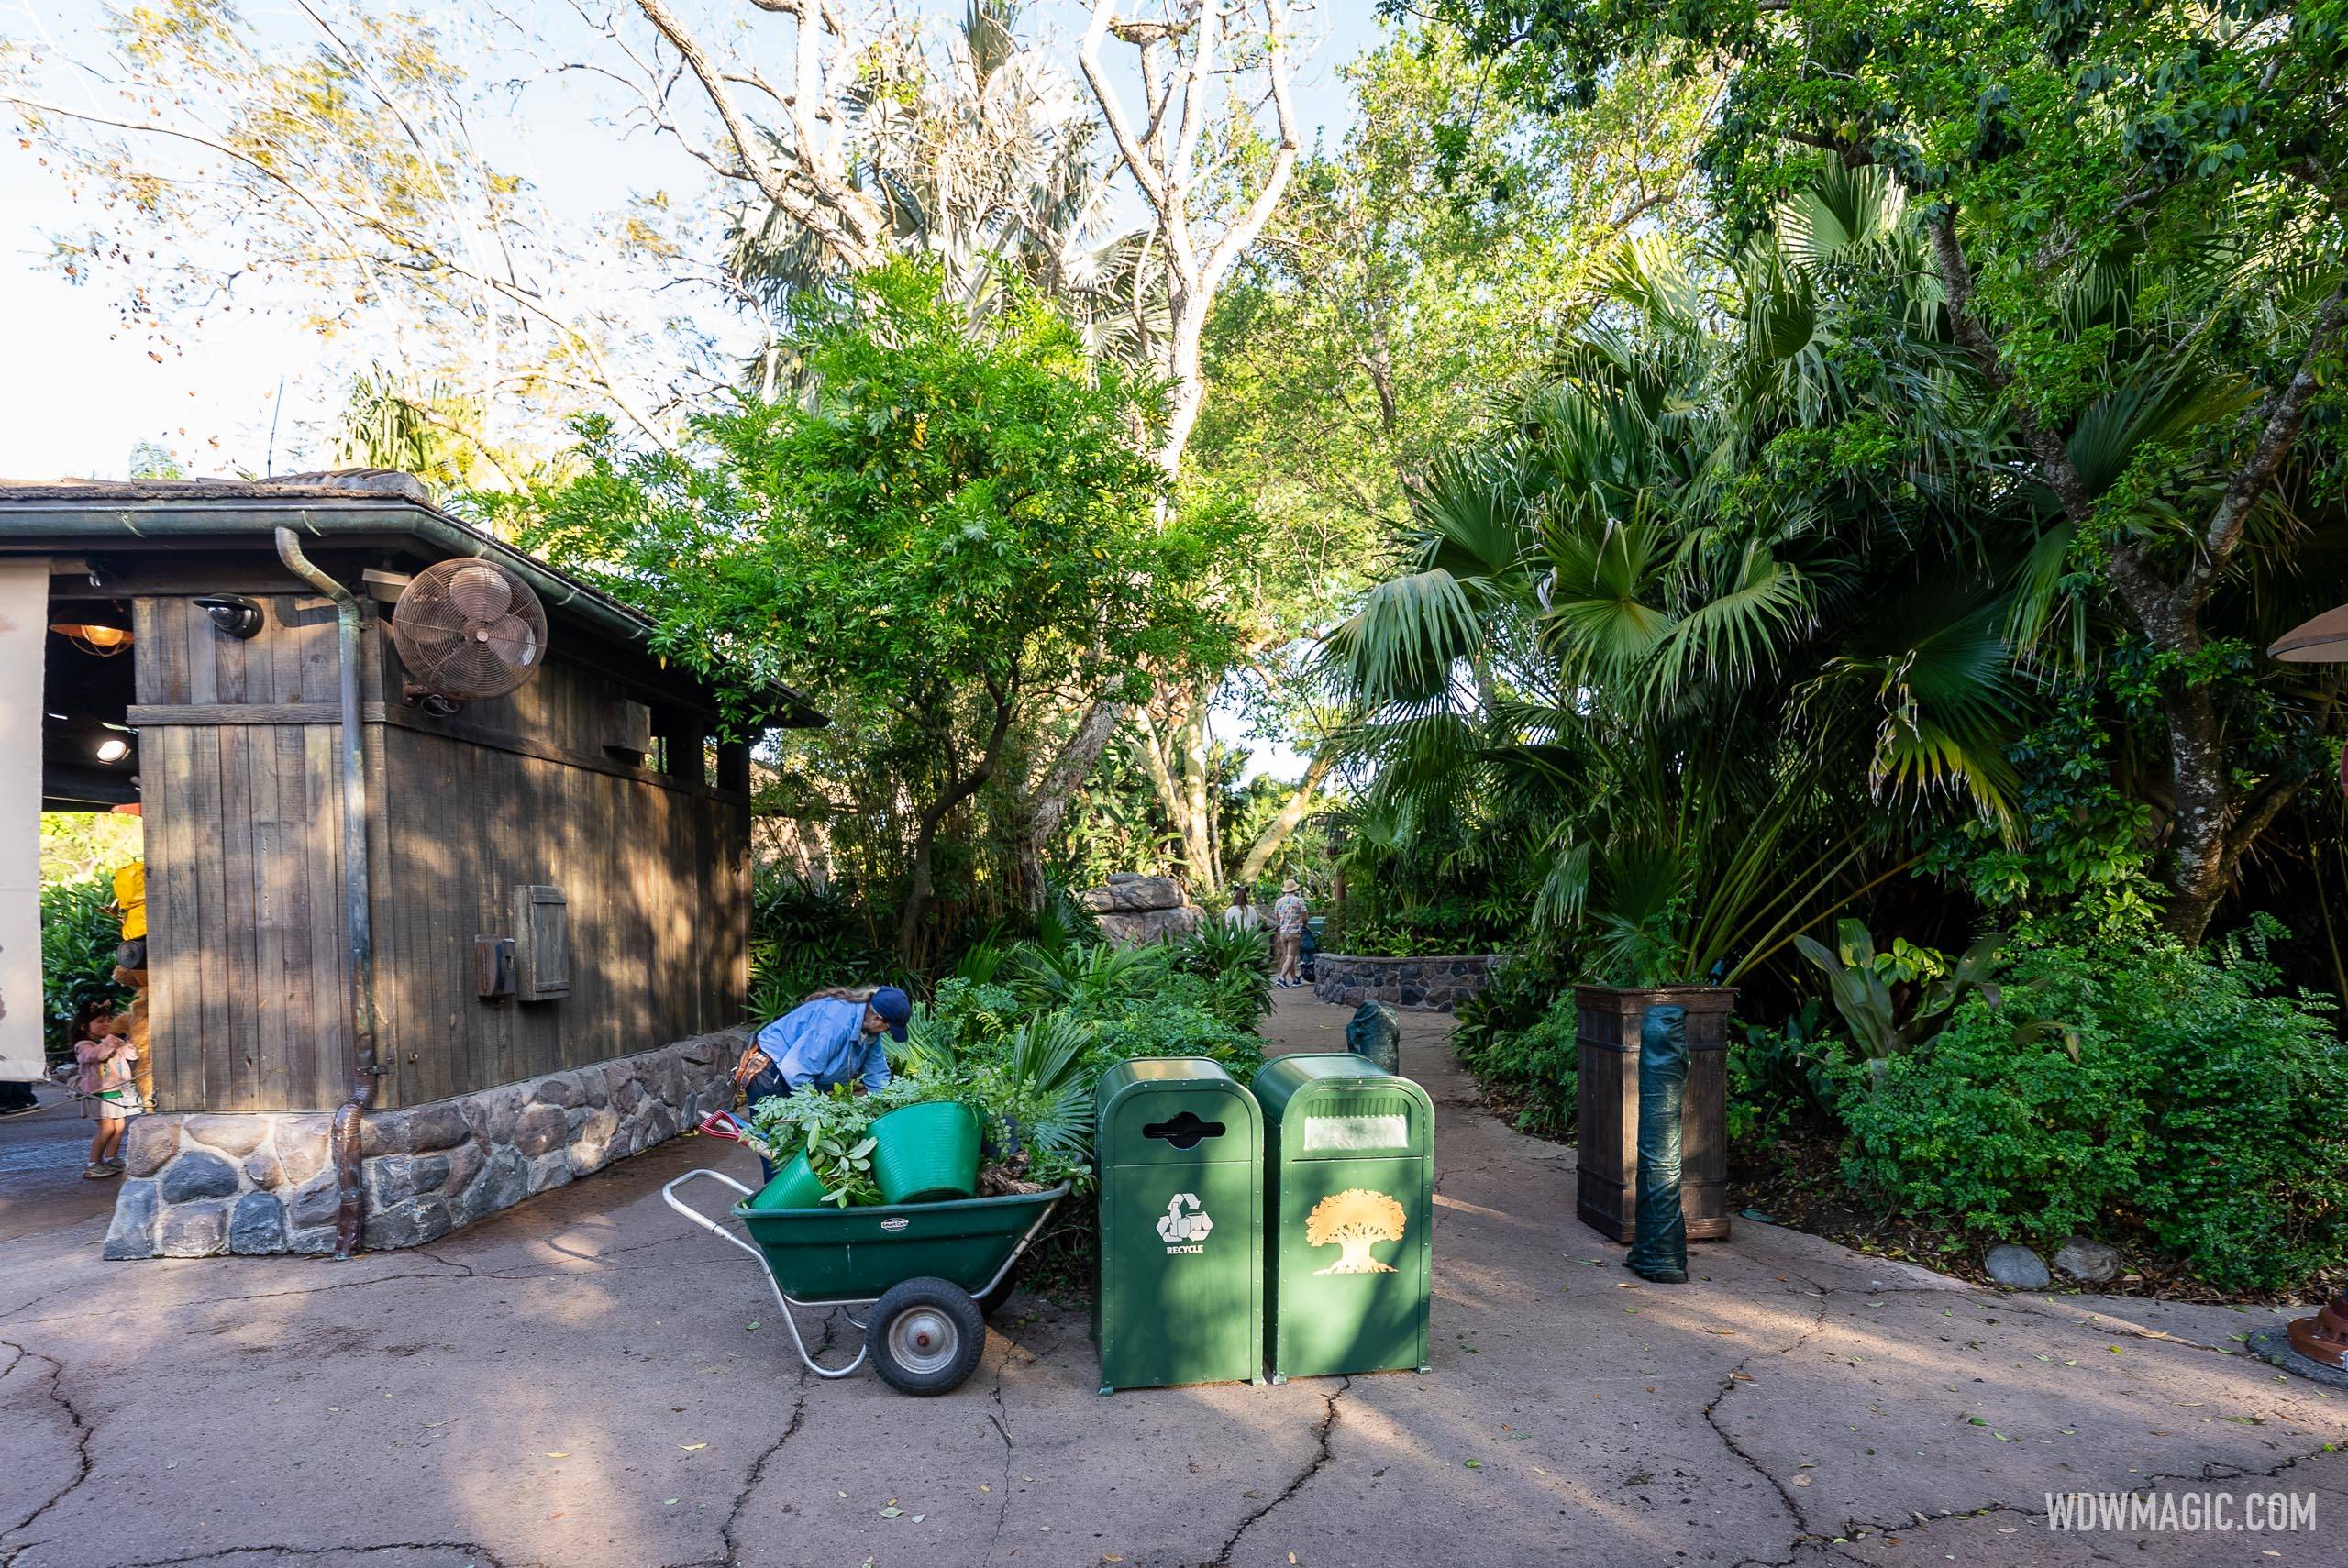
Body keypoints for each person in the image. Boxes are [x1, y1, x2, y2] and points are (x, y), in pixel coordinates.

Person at [72, 1003, 139, 1178]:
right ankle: (93, 1163)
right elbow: (97, 1054)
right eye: (100, 1021)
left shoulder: (113, 1042)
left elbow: (132, 1055)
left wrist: (133, 1040)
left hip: (115, 1091)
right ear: (83, 1026)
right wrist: (114, 1036)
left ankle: (112, 1158)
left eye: (109, 1021)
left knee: (119, 1126)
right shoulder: (84, 1045)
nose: (106, 1024)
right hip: (97, 1094)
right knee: (107, 1128)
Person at [1270, 879, 1309, 988]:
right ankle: (1281, 978)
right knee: (1291, 956)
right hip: (1295, 932)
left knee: (1288, 956)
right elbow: (1305, 916)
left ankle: (1294, 979)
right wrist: (1303, 924)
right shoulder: (1298, 901)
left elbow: (1277, 916)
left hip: (1283, 932)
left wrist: (1283, 923)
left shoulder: (1279, 901)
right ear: (1295, 889)